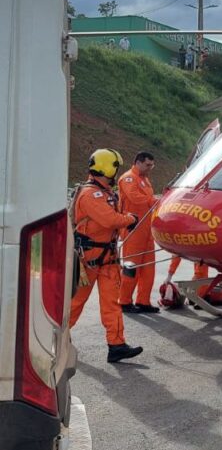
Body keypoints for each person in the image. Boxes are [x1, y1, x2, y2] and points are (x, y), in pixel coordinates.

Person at [70, 149, 143, 364]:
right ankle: (55, 340)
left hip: (107, 258)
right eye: (115, 168)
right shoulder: (90, 194)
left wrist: (126, 221)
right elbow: (110, 220)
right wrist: (130, 218)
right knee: (76, 302)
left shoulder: (105, 193)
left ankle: (117, 345)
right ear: (108, 168)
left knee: (112, 303)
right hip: (89, 260)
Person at [118, 151, 160, 313]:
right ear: (138, 162)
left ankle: (143, 301)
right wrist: (154, 201)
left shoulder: (145, 180)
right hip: (133, 230)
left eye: (152, 165)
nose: (150, 168)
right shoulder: (128, 178)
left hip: (147, 230)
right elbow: (135, 198)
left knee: (148, 268)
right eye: (148, 165)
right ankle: (124, 301)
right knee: (131, 267)